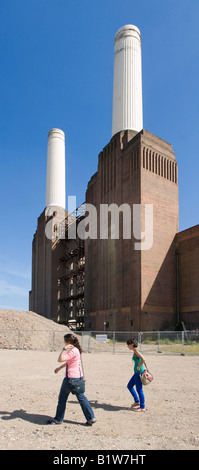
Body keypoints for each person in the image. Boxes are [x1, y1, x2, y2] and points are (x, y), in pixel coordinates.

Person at [47, 333, 96, 425]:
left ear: (68, 342)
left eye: (65, 341)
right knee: (81, 398)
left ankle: (58, 419)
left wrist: (64, 350)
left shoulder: (72, 351)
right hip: (78, 377)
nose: (64, 342)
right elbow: (70, 362)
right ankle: (91, 417)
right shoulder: (77, 350)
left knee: (62, 399)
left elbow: (60, 359)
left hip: (70, 378)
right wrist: (59, 368)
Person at [126, 338, 146, 412]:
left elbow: (143, 359)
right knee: (129, 386)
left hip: (138, 373)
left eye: (128, 345)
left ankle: (142, 407)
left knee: (139, 390)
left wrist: (139, 366)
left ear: (131, 345)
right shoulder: (135, 351)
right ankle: (137, 401)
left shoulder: (136, 351)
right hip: (136, 373)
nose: (127, 346)